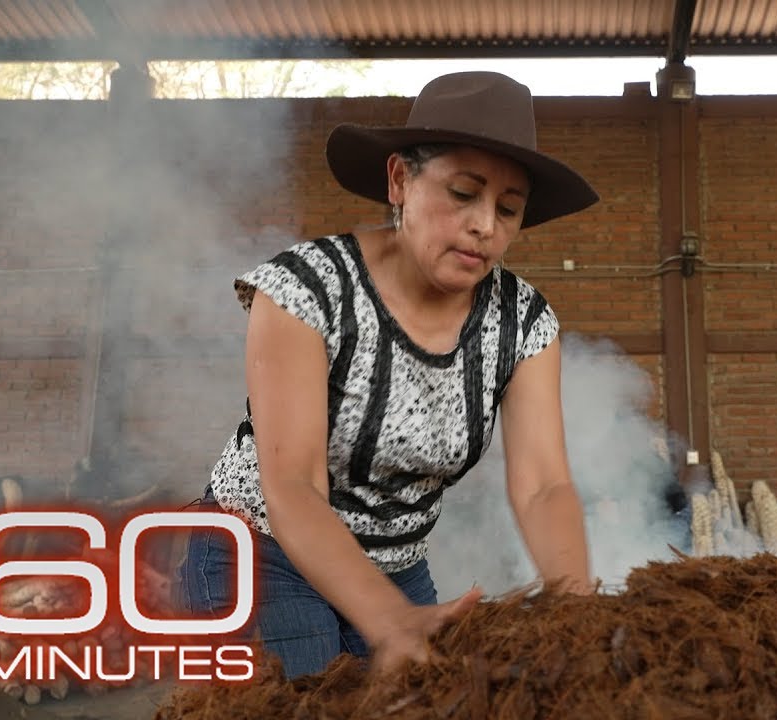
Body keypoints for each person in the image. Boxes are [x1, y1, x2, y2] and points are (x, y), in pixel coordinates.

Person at [180, 71, 599, 680]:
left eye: (509, 210)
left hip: (398, 566)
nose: (487, 225)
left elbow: (543, 487)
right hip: (261, 550)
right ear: (400, 180)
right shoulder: (305, 289)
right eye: (463, 193)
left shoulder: (524, 321)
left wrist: (577, 613)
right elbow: (293, 485)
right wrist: (389, 619)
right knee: (305, 696)